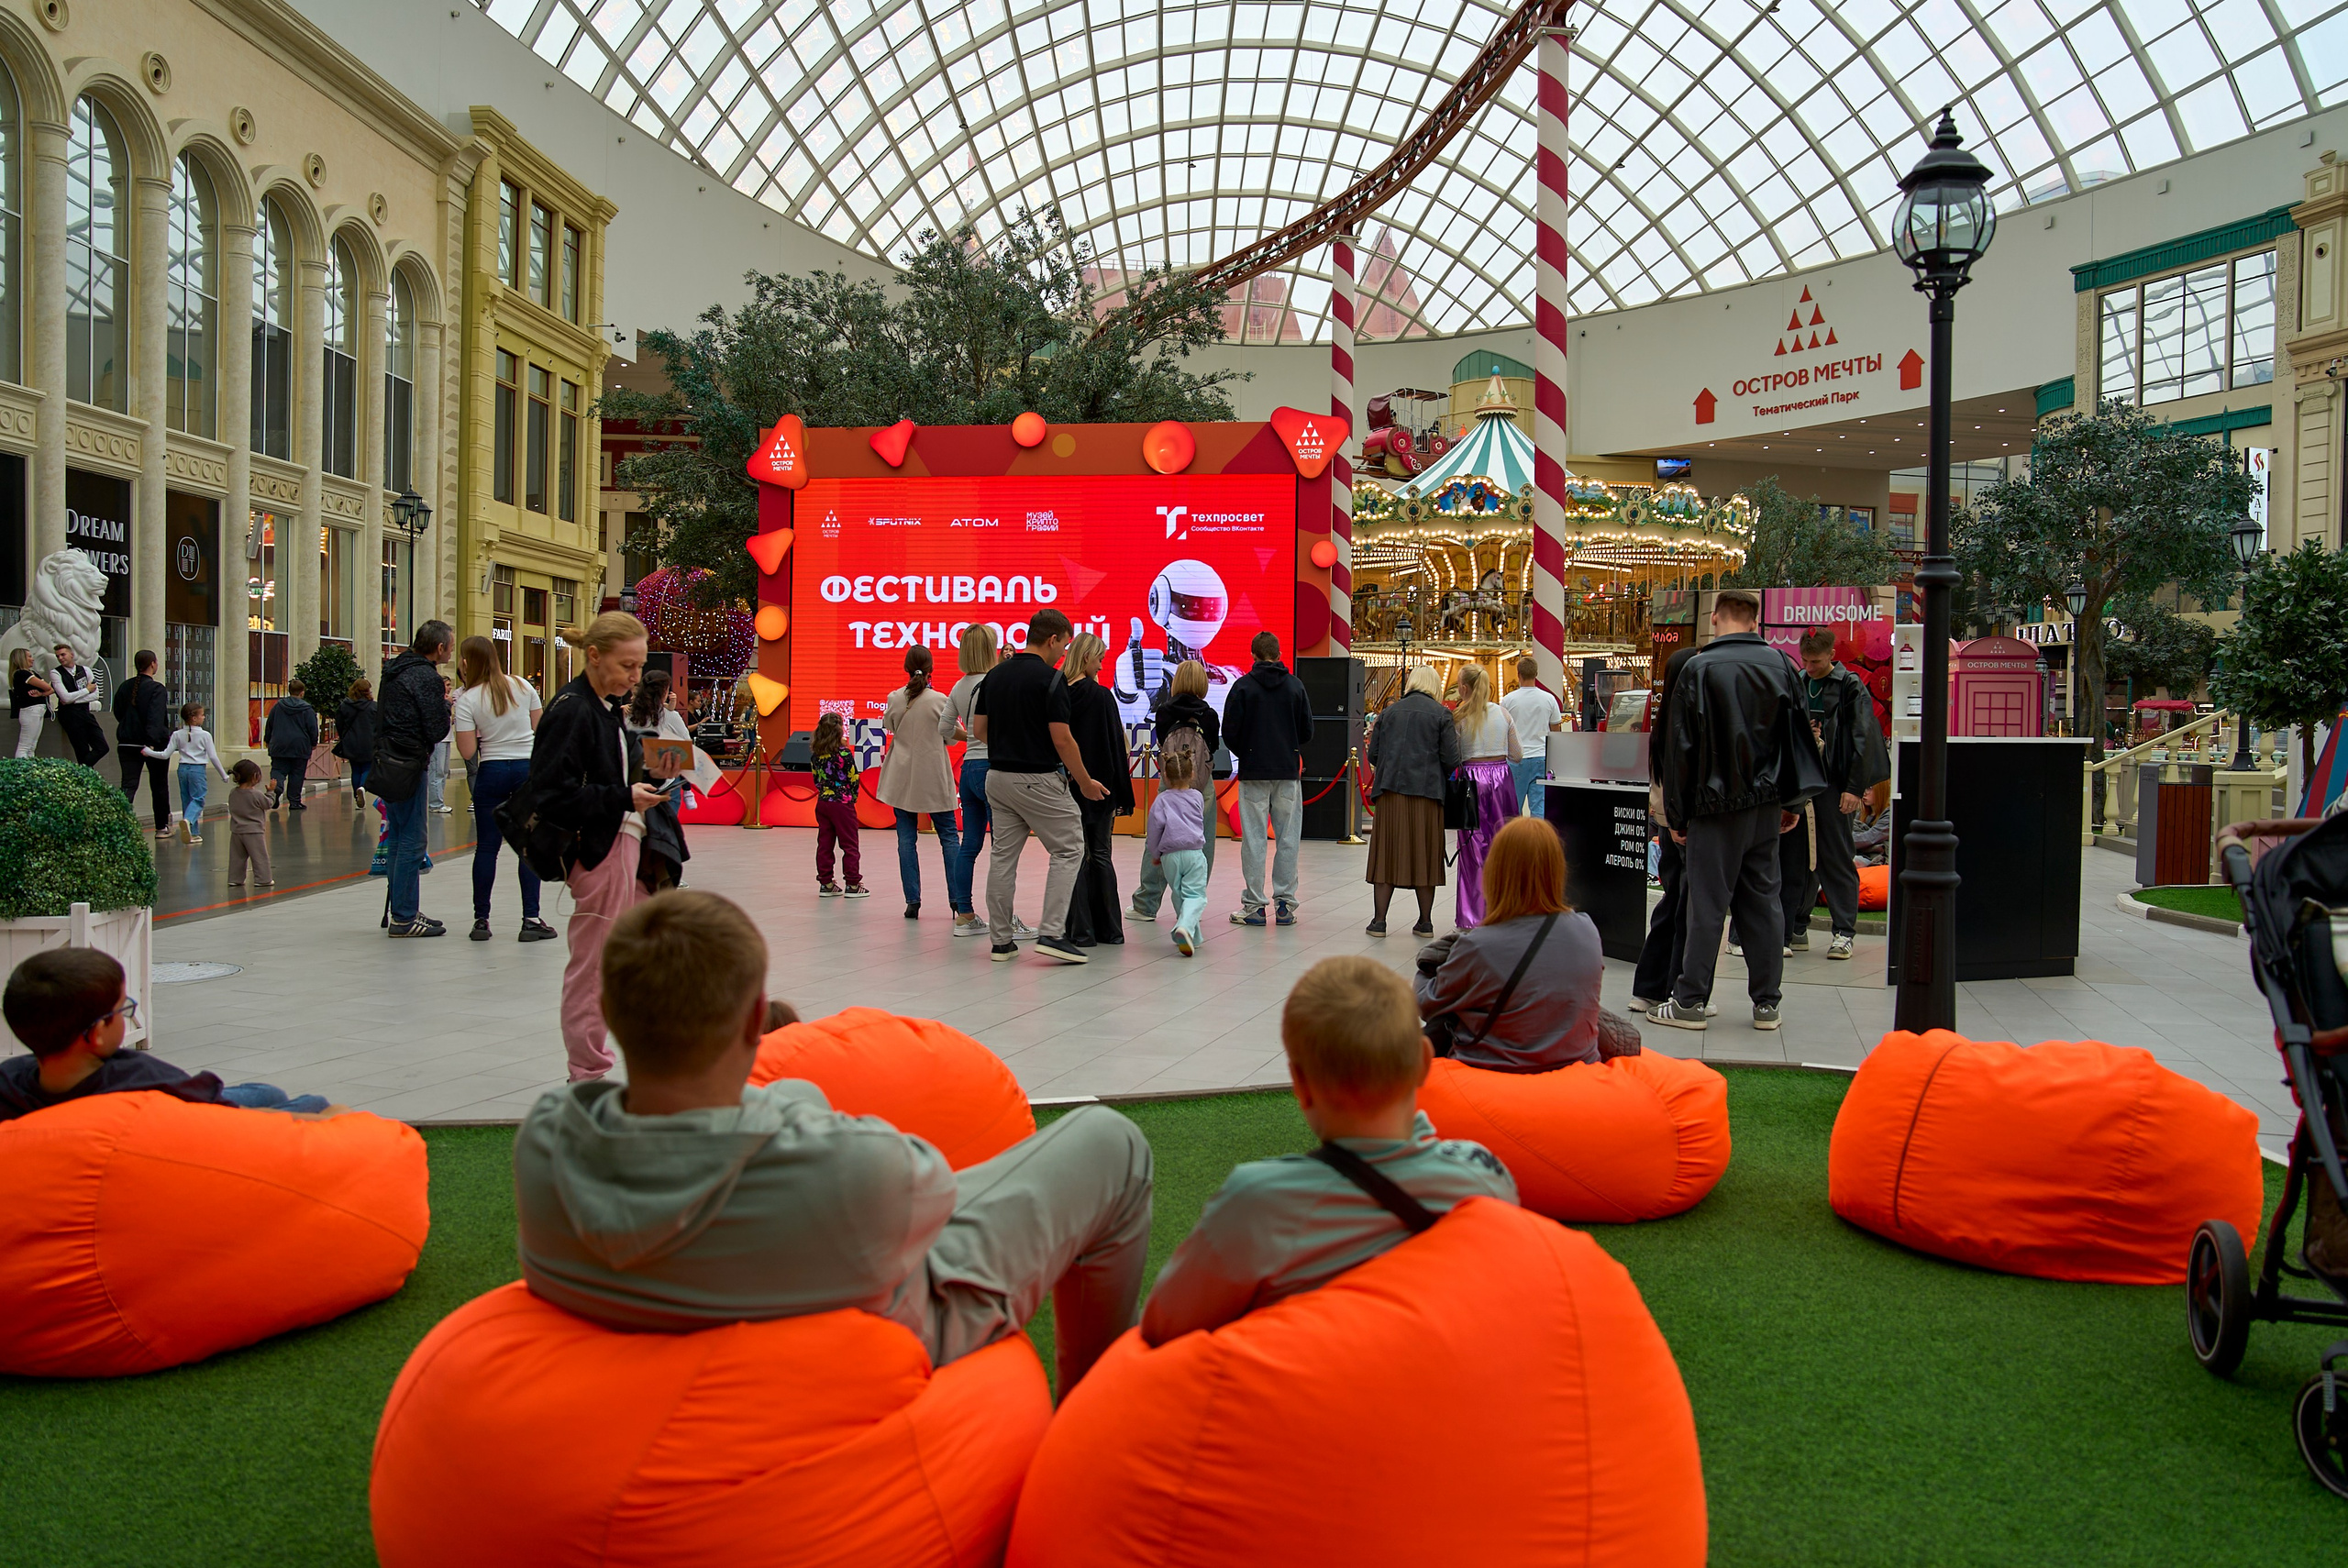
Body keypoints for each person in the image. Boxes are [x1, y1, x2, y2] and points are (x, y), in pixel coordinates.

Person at [512, 889, 1156, 1393]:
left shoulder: (546, 1144)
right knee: (1110, 1142)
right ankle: (1089, 1405)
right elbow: (929, 1192)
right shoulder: (845, 1165)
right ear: (753, 1023)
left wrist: (792, 1115)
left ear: (614, 1017)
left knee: (801, 1097)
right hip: (905, 1309)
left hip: (734, 1258)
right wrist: (807, 1131)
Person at [1139, 955, 1516, 1345]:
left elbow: (1163, 1327)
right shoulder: (1486, 1178)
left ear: (1299, 1085)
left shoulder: (1259, 1202)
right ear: (1424, 1062)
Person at [1648, 589, 1827, 1033]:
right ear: (1753, 621)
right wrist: (1792, 803)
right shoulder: (1783, 666)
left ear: (1716, 617)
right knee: (1764, 904)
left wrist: (1678, 815)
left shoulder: (1697, 669)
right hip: (1766, 807)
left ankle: (1690, 1000)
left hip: (1713, 808)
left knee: (1707, 904)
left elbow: (1680, 750)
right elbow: (1797, 739)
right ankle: (1767, 1003)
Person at [529, 612, 683, 1079]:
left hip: (620, 844)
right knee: (594, 967)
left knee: (636, 953)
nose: (635, 677)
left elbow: (612, 770)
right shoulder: (575, 709)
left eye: (639, 667)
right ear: (594, 656)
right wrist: (624, 795)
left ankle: (628, 1058)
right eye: (627, 666)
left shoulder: (599, 706)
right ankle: (589, 1073)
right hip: (600, 848)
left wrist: (652, 771)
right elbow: (550, 794)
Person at [1, 948, 338, 1122]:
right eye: (123, 1010)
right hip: (199, 1122)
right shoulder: (142, 1081)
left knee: (265, 1091)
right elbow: (213, 1117)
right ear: (98, 1033)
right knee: (308, 1102)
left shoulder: (10, 1083)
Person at [1413, 817, 1624, 1072]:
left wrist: (1427, 965)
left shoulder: (1479, 946)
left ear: (1496, 873)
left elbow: (1426, 1004)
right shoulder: (1587, 930)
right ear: (1557, 871)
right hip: (1577, 1071)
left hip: (1494, 1078)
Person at [973, 607, 1109, 966]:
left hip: (997, 777)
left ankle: (1001, 942)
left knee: (1003, 857)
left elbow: (980, 732)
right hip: (1038, 780)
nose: (1063, 653)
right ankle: (1052, 933)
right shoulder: (1052, 681)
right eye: (1063, 646)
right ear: (1053, 639)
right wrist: (1086, 782)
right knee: (1069, 848)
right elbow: (1063, 740)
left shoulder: (994, 676)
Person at [1785, 629, 1887, 962]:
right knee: (1798, 856)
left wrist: (1854, 788)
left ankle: (1844, 931)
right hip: (1803, 783)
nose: (1810, 667)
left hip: (1835, 783)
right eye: (1805, 661)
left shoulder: (1849, 685)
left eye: (1815, 661)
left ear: (1830, 656)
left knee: (1836, 855)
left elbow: (1862, 736)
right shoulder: (1799, 681)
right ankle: (1796, 926)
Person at [454, 635, 552, 944]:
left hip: (492, 770)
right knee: (528, 846)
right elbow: (542, 729)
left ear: (467, 663)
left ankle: (481, 919)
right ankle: (531, 919)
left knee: (486, 848)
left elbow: (468, 751)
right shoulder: (523, 686)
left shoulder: (467, 700)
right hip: (525, 769)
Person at [1222, 632, 1313, 928]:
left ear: (1253, 655)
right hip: (1287, 772)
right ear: (1279, 653)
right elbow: (1307, 731)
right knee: (1288, 837)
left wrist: (1248, 752)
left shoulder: (1242, 687)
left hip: (1254, 772)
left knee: (1254, 839)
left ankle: (1254, 906)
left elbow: (1230, 732)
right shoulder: (1295, 687)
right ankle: (1285, 905)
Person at [1362, 665, 1461, 940]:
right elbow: (1452, 759)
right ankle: (1425, 923)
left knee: (1386, 854)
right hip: (1428, 794)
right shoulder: (1442, 714)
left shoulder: (1389, 711)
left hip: (1391, 792)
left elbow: (1374, 753)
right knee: (1425, 855)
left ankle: (1379, 922)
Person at [1630, 646, 1700, 1013]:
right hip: (1681, 824)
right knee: (1683, 905)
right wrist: (1675, 820)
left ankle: (1653, 986)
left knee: (1674, 902)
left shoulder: (1665, 721)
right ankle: (1673, 986)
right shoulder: (1684, 721)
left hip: (1669, 819)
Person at [378, 622, 457, 938]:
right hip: (410, 761)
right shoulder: (426, 677)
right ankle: (404, 916)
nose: (451, 651)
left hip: (388, 759)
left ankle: (403, 906)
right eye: (450, 647)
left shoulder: (394, 670)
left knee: (398, 837)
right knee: (412, 839)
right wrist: (445, 707)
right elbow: (436, 729)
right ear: (439, 648)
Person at [1128, 659, 1221, 926]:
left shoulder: (1164, 711)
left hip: (1169, 781)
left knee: (1159, 838)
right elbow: (1213, 747)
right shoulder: (1209, 714)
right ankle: (1192, 903)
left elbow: (1160, 742)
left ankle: (1147, 903)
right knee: (1204, 843)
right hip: (1202, 784)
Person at [879, 646, 962, 922]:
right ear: (931, 669)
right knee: (949, 837)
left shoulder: (894, 698)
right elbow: (951, 737)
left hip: (902, 778)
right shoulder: (941, 700)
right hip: (933, 778)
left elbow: (889, 725)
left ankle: (912, 902)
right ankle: (957, 900)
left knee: (906, 840)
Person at [1061, 633, 1134, 948]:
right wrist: (1122, 793)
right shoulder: (1103, 697)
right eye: (1100, 658)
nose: (1102, 665)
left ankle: (1080, 930)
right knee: (1101, 854)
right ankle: (1111, 930)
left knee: (1074, 857)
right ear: (1087, 657)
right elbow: (1117, 746)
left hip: (1067, 787)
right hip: (1102, 787)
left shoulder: (1059, 694)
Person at [1450, 663, 1523, 930]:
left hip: (1471, 782)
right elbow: (1517, 754)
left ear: (1464, 688)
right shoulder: (1503, 714)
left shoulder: (1459, 718)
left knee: (1473, 849)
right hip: (1501, 781)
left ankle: (1473, 915)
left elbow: (1454, 757)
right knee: (1504, 846)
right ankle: (1506, 911)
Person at [940, 624, 1001, 938]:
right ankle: (1005, 917)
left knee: (970, 846)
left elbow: (944, 728)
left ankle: (964, 913)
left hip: (969, 769)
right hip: (995, 768)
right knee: (1002, 847)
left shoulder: (959, 687)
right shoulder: (995, 682)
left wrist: (970, 740)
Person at [622, 668, 693, 897]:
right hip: (666, 783)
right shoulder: (668, 716)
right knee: (665, 832)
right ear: (664, 692)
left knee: (640, 830)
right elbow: (686, 742)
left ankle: (636, 872)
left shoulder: (628, 714)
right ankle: (663, 875)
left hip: (635, 781)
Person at [1145, 743, 1210, 956]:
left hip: (1169, 856)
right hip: (1193, 853)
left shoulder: (1161, 800)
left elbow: (1154, 829)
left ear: (1165, 776)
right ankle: (1184, 928)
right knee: (1196, 896)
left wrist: (1155, 854)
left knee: (1179, 894)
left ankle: (1192, 936)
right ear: (1192, 773)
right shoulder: (1198, 797)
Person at [144, 701, 231, 845]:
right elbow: (213, 756)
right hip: (197, 770)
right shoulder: (205, 735)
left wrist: (149, 752)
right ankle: (189, 821)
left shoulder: (177, 734)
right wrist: (223, 774)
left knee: (187, 800)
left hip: (182, 769)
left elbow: (165, 755)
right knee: (198, 799)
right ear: (194, 718)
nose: (204, 717)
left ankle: (193, 832)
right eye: (202, 715)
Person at [111, 649, 172, 835]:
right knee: (159, 785)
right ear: (153, 664)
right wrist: (152, 742)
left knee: (128, 785)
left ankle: (118, 824)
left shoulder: (125, 686)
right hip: (151, 744)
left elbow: (118, 712)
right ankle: (161, 827)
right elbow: (156, 717)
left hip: (127, 742)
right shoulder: (157, 689)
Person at [809, 712, 867, 899]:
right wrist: (853, 798)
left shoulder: (816, 756)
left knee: (824, 843)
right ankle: (852, 883)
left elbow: (816, 780)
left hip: (823, 802)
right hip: (842, 803)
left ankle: (826, 883)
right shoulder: (844, 754)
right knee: (849, 844)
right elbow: (853, 778)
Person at [1498, 656, 1563, 817]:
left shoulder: (1508, 700)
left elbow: (1501, 731)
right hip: (1541, 757)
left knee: (1514, 807)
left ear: (1518, 674)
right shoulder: (1549, 699)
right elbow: (1556, 732)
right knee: (1539, 806)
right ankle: (1538, 840)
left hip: (1516, 759)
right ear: (1536, 674)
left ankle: (1515, 840)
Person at [48, 642, 108, 767]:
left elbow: (96, 694)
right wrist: (86, 691)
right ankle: (86, 775)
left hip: (85, 712)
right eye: (57, 656)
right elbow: (64, 697)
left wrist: (73, 699)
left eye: (63, 654)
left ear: (71, 654)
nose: (60, 658)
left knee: (102, 747)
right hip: (69, 716)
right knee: (81, 749)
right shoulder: (55, 673)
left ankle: (81, 769)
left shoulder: (85, 670)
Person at [262, 678, 318, 811]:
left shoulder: (278, 707)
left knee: (278, 770)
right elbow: (313, 728)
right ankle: (294, 802)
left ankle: (277, 789)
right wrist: (313, 742)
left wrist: (268, 740)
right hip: (300, 746)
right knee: (297, 774)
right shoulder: (307, 709)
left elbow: (270, 724)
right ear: (302, 693)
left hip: (279, 745)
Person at [226, 759, 273, 887]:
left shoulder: (233, 793)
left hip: (236, 830)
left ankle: (235, 879)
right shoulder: (256, 794)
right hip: (254, 831)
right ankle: (263, 879)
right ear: (254, 777)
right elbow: (268, 804)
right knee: (259, 856)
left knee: (237, 857)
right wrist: (270, 792)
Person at [335, 678, 377, 803]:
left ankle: (356, 795)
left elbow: (339, 724)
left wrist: (344, 737)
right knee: (367, 768)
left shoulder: (345, 706)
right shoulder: (374, 707)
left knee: (356, 769)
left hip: (351, 742)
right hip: (369, 742)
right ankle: (362, 788)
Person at [9, 647, 51, 758]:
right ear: (21, 658)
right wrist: (44, 691)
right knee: (25, 745)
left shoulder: (32, 673)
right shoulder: (21, 674)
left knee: (32, 746)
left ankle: (29, 769)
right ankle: (20, 770)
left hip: (38, 710)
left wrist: (41, 694)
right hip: (30, 710)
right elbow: (47, 687)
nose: (32, 659)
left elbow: (51, 690)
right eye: (29, 656)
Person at [426, 676, 458, 813]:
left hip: (447, 737)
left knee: (444, 771)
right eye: (447, 685)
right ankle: (435, 803)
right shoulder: (436, 700)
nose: (450, 687)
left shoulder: (447, 701)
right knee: (436, 771)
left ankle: (440, 799)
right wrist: (448, 704)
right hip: (439, 739)